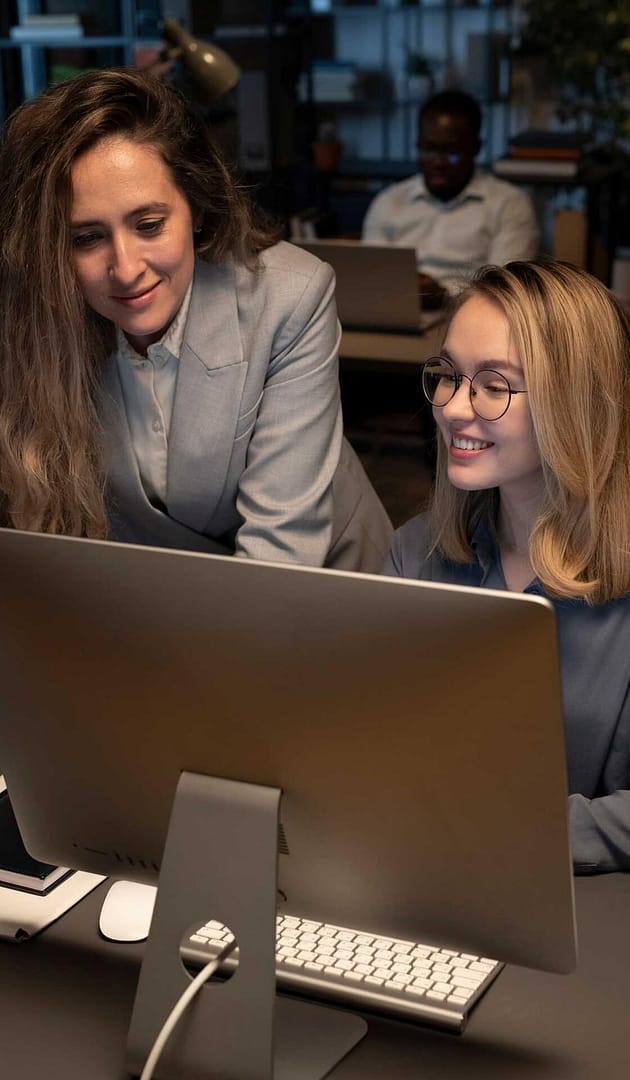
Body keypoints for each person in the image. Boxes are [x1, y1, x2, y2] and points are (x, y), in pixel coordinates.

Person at [0, 67, 391, 571]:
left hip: (327, 583)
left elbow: (283, 550)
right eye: (86, 238)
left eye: (149, 225)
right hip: (167, 599)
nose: (125, 269)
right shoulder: (39, 317)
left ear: (199, 207)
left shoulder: (290, 296)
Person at [384, 258, 630, 874]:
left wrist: (502, 832)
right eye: (447, 376)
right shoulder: (416, 552)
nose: (455, 408)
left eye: (494, 385)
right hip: (421, 874)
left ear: (575, 400)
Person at [362, 89, 539, 309]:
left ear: (475, 149)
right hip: (397, 314)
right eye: (428, 151)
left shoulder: (509, 204)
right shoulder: (388, 202)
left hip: (471, 320)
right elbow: (371, 283)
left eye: (452, 153)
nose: (438, 163)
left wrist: (443, 295)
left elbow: (506, 293)